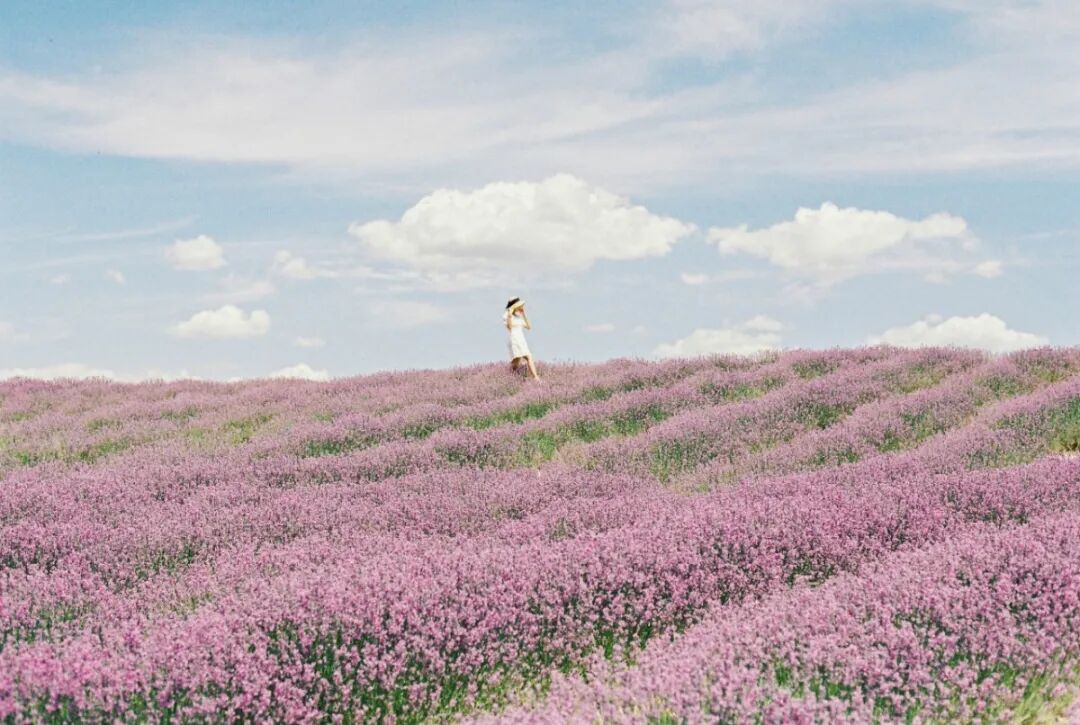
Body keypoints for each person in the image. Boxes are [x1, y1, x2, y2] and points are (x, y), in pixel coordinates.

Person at [503, 297, 540, 380]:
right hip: (514, 339)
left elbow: (529, 326)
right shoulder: (506, 315)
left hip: (521, 338)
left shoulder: (518, 316)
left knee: (528, 356)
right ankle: (510, 375)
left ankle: (536, 377)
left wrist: (524, 314)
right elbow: (509, 327)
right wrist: (509, 314)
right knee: (517, 360)